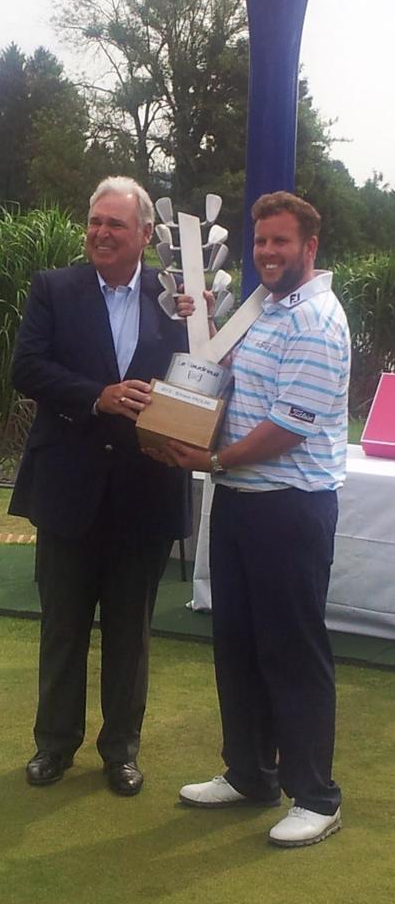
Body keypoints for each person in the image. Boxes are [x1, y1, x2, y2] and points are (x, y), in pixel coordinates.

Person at [158, 191, 351, 847]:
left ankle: (316, 795)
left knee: (290, 651)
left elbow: (287, 428)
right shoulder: (266, 310)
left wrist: (214, 458)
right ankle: (250, 773)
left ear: (309, 248)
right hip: (239, 499)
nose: (268, 252)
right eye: (261, 241)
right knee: (237, 642)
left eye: (281, 242)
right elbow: (222, 371)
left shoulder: (318, 319)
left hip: (290, 506)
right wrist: (204, 325)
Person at [9, 176, 191, 795]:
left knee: (129, 635)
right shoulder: (54, 289)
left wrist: (203, 328)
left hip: (145, 491)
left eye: (115, 224)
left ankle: (121, 751)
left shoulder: (175, 304)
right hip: (68, 490)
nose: (101, 233)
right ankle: (54, 746)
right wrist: (98, 397)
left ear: (145, 234)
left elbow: (199, 376)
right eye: (95, 221)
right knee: (62, 626)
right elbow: (27, 367)